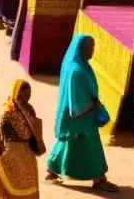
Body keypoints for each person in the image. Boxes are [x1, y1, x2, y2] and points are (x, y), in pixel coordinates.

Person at [45, 34, 117, 192]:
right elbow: (76, 98)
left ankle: (51, 170)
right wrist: (93, 104)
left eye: (93, 46)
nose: (93, 50)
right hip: (78, 115)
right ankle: (99, 178)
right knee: (91, 146)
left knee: (68, 143)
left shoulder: (81, 65)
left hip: (81, 115)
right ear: (81, 48)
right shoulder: (77, 70)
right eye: (90, 46)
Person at [0, 80, 46, 198]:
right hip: (12, 156)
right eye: (22, 95)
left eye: (28, 94)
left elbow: (33, 135)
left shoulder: (29, 110)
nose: (26, 97)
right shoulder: (8, 112)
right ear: (16, 94)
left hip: (27, 157)